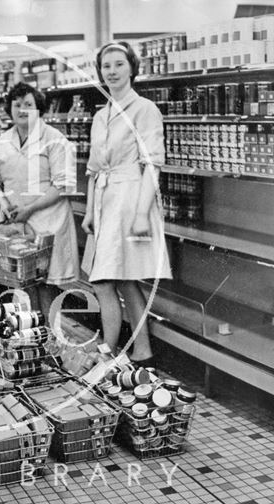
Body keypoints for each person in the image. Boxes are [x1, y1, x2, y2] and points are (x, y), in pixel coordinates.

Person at [81, 41, 171, 367]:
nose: (113, 72)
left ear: (132, 68)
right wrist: (90, 211)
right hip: (106, 201)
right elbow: (93, 171)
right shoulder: (100, 115)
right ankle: (142, 350)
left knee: (102, 280)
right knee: (125, 278)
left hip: (131, 198)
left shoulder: (145, 109)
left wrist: (142, 213)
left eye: (119, 64)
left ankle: (108, 353)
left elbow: (153, 164)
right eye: (107, 66)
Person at [0, 82, 79, 316]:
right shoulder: (1, 141)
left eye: (28, 104)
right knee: (22, 284)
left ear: (39, 108)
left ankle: (51, 340)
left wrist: (30, 208)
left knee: (47, 285)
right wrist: (5, 206)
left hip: (48, 220)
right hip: (15, 222)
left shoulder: (55, 139)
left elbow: (63, 185)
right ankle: (32, 338)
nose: (22, 109)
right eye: (17, 104)